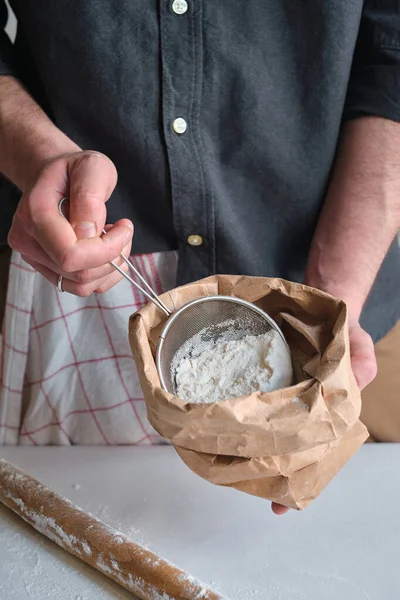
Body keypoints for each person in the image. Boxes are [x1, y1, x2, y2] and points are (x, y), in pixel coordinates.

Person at [0, 1, 399, 517]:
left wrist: (333, 300)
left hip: (346, 267)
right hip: (83, 267)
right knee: (85, 512)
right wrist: (40, 157)